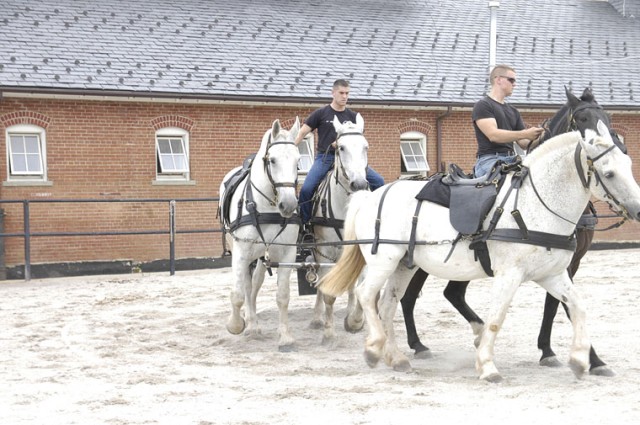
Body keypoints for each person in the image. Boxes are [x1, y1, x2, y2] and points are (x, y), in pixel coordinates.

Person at [295, 79, 385, 225]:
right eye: (341, 93)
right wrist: (291, 147)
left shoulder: (354, 117)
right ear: (333, 93)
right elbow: (301, 133)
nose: (344, 96)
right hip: (326, 158)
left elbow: (357, 141)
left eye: (347, 93)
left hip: (350, 159)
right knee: (306, 188)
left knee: (379, 182)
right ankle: (305, 225)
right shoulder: (321, 113)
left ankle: (377, 219)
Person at [472, 64, 545, 177]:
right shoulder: (483, 105)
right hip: (489, 161)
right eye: (511, 80)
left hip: (511, 160)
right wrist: (525, 133)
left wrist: (543, 135)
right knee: (505, 184)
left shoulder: (513, 111)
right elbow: (493, 135)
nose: (514, 84)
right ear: (499, 80)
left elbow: (524, 144)